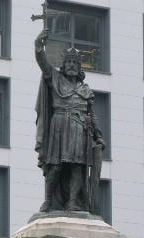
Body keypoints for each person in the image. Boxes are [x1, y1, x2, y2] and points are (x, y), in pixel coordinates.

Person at [34, 29, 106, 212]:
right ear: (64, 66)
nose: (72, 65)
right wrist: (38, 47)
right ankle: (48, 201)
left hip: (80, 128)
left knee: (76, 168)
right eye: (69, 62)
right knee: (56, 167)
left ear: (79, 67)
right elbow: (43, 64)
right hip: (59, 126)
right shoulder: (56, 79)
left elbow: (91, 114)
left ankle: (73, 201)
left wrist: (98, 135)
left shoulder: (85, 90)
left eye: (75, 62)